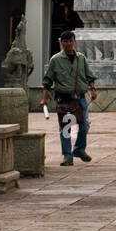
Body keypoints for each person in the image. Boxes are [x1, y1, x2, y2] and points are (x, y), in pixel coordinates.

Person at [40, 31, 98, 165]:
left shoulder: (81, 58)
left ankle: (79, 149)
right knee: (66, 127)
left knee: (84, 125)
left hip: (80, 98)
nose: (68, 44)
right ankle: (67, 155)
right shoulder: (55, 59)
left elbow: (89, 76)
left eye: (70, 41)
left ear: (74, 41)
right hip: (64, 99)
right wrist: (44, 98)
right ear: (61, 43)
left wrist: (93, 90)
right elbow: (48, 81)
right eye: (65, 41)